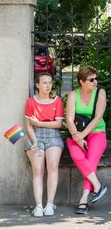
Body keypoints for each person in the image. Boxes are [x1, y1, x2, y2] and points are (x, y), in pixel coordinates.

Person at [65, 66, 108, 215]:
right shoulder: (73, 95)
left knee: (90, 161)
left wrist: (82, 135)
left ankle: (83, 199)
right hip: (76, 133)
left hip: (96, 133)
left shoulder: (100, 93)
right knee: (77, 156)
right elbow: (69, 119)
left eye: (96, 79)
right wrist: (77, 137)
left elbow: (97, 118)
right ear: (82, 82)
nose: (95, 82)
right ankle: (98, 186)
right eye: (91, 80)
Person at [24, 73, 65, 217]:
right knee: (38, 170)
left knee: (53, 166)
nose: (48, 86)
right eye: (44, 83)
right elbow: (29, 126)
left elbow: (58, 124)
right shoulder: (31, 102)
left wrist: (39, 123)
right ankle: (39, 206)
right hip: (36, 136)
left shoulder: (57, 101)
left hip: (53, 136)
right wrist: (34, 142)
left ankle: (50, 204)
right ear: (37, 85)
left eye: (50, 82)